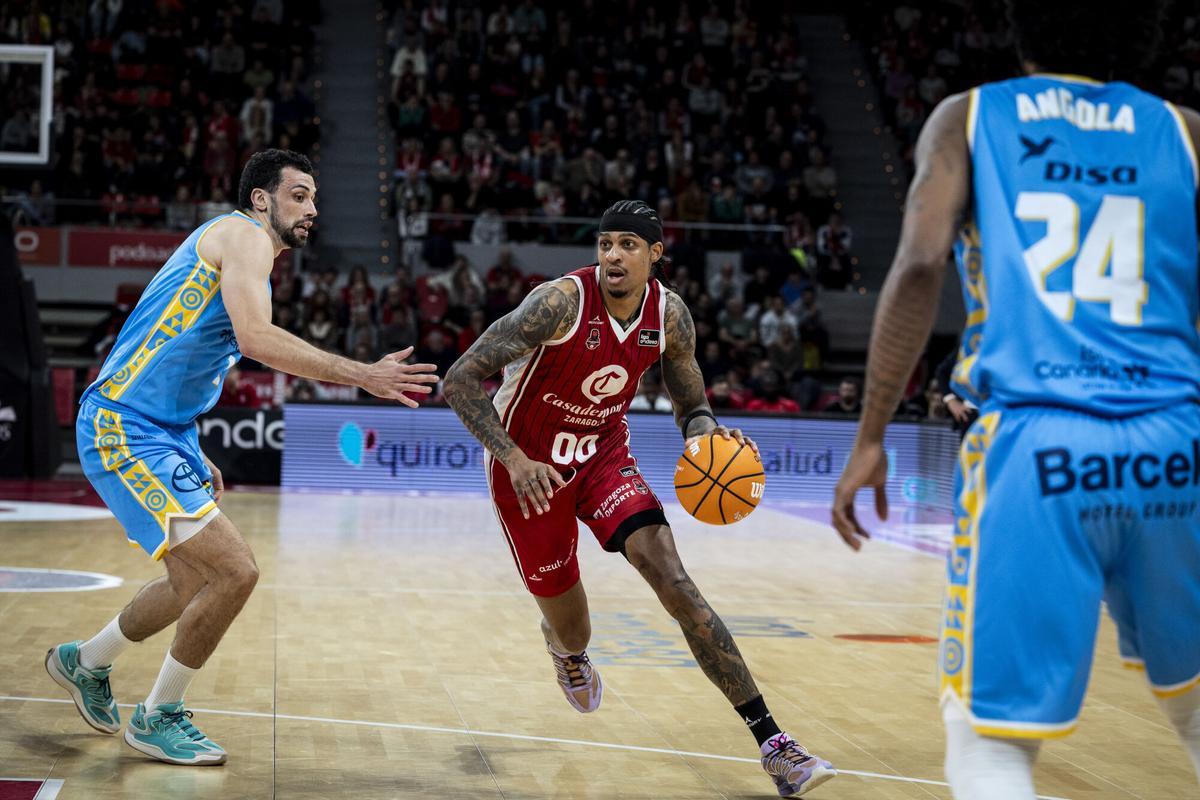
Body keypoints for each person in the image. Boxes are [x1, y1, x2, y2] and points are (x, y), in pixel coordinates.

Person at [832, 5, 1200, 797]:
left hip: (1038, 448)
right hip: (1178, 443)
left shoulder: (969, 116)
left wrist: (871, 435)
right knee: (1197, 713)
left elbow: (922, 263)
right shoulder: (1186, 130)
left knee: (989, 748)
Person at [47, 150, 438, 766]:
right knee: (237, 570)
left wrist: (190, 443)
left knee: (192, 580)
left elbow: (173, 353)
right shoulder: (246, 236)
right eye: (299, 195)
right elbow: (256, 342)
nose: (312, 209)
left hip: (158, 428)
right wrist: (362, 374)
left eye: (314, 199)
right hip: (124, 426)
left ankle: (85, 661)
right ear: (262, 199)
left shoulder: (239, 248)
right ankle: (159, 715)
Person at [444, 200, 835, 796]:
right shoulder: (558, 303)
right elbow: (459, 378)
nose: (613, 256)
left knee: (675, 581)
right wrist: (513, 457)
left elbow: (690, 397)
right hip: (529, 472)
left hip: (603, 456)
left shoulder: (670, 316)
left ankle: (774, 744)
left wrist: (705, 434)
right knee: (574, 629)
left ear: (655, 254)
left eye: (628, 244)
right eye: (605, 244)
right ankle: (565, 649)